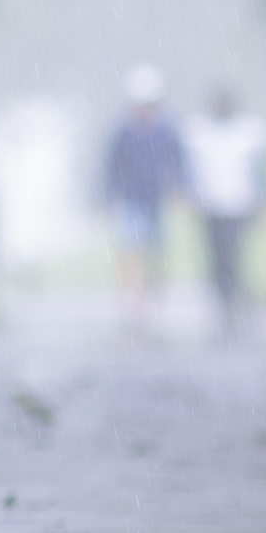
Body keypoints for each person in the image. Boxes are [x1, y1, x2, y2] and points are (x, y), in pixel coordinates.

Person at [102, 65, 187, 334]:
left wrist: (180, 189)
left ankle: (153, 295)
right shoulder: (123, 132)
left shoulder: (166, 131)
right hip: (132, 200)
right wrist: (109, 195)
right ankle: (134, 299)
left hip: (156, 200)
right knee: (133, 249)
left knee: (157, 251)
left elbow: (178, 162)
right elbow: (112, 166)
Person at [183, 85, 266, 335]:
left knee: (232, 253)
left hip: (240, 203)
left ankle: (234, 297)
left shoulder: (250, 131)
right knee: (217, 255)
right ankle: (228, 299)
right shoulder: (200, 131)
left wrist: (265, 198)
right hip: (210, 204)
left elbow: (262, 168)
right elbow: (191, 167)